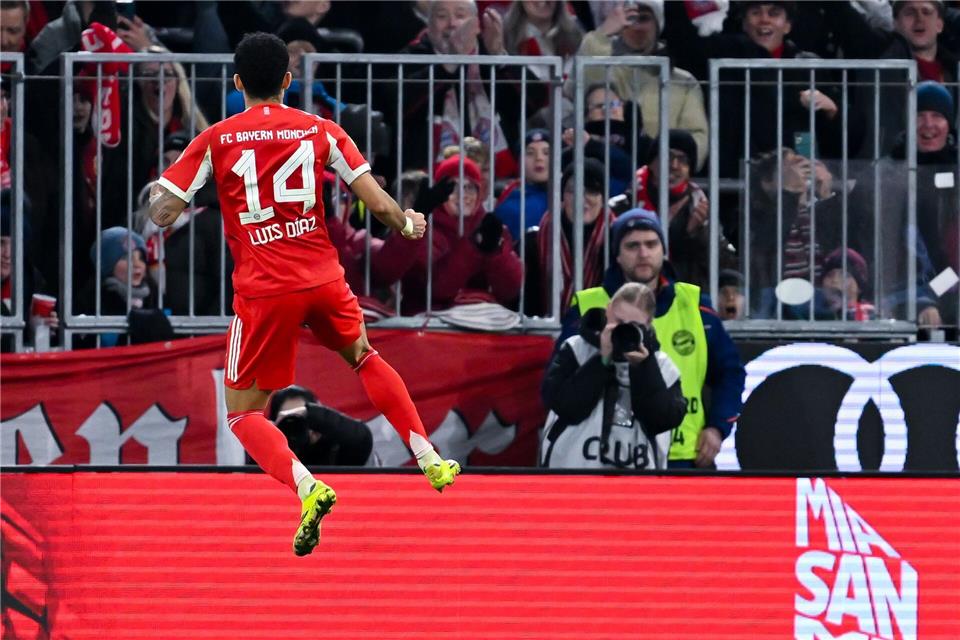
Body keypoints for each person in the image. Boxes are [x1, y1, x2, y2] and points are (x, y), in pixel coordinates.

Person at [149, 32, 460, 557]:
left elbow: (163, 212)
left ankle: (306, 486)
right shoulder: (321, 130)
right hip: (321, 278)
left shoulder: (217, 140)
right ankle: (428, 455)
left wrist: (164, 196)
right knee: (364, 357)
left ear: (238, 82)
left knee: (243, 414)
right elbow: (379, 204)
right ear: (288, 81)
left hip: (264, 291)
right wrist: (408, 224)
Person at [559, 208, 745, 469]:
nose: (643, 253)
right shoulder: (588, 308)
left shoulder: (694, 306)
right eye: (632, 245)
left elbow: (731, 373)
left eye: (651, 244)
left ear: (663, 251)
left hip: (682, 456)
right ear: (617, 255)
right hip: (605, 455)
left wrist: (717, 428)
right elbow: (560, 385)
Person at [541, 281, 686, 469]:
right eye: (618, 321)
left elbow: (662, 421)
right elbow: (563, 405)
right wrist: (602, 360)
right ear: (608, 309)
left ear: (648, 324)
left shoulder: (662, 366)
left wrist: (644, 368)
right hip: (571, 472)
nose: (623, 330)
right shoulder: (576, 349)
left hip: (636, 478)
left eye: (633, 326)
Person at [569, 0, 708, 171]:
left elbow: (697, 138)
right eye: (630, 19)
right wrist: (603, 33)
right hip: (606, 175)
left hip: (662, 179)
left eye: (644, 19)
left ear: (657, 24)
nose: (637, 27)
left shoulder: (683, 81)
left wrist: (669, 166)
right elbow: (579, 86)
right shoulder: (605, 69)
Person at [381, 155, 523, 314]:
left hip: (483, 320)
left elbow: (510, 290)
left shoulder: (491, 228)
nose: (464, 194)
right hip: (428, 321)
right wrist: (473, 246)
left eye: (470, 187)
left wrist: (495, 254)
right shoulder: (424, 230)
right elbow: (437, 289)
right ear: (441, 192)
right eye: (454, 187)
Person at [532, 158, 613, 316]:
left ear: (603, 198)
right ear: (562, 196)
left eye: (592, 191)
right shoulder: (536, 240)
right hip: (545, 326)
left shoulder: (617, 241)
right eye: (572, 190)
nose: (581, 198)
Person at [267, 385, 374, 467]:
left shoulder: (334, 449)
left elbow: (362, 439)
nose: (295, 424)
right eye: (289, 420)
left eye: (300, 418)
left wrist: (311, 413)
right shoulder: (268, 456)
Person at [495, 128, 551, 240]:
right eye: (530, 153)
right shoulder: (508, 207)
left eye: (546, 153)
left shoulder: (569, 198)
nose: (539, 158)